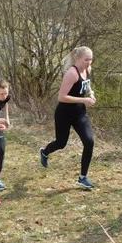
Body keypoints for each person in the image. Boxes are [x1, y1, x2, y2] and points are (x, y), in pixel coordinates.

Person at [40, 46, 96, 189]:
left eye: (91, 59)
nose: (89, 62)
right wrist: (84, 100)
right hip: (64, 113)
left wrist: (91, 95)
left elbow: (87, 86)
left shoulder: (87, 70)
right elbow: (62, 97)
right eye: (86, 59)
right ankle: (45, 152)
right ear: (78, 59)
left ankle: (83, 177)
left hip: (79, 114)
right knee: (61, 143)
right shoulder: (72, 73)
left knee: (89, 141)